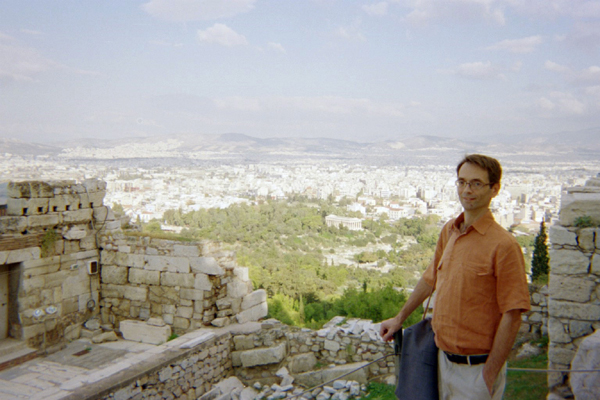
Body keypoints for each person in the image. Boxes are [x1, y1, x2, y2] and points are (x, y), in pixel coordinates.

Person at [380, 154, 531, 400]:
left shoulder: (504, 245)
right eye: (461, 182)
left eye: (476, 183)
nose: (466, 190)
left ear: (495, 189)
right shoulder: (450, 230)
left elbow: (512, 314)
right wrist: (399, 318)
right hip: (439, 361)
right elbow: (431, 279)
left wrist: (489, 375)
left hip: (476, 370)